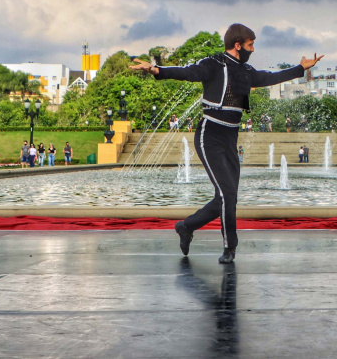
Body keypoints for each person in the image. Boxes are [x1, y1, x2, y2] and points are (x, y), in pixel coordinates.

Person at [130, 22, 322, 264]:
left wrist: (299, 69)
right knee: (227, 193)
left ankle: (186, 226)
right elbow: (187, 72)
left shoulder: (246, 71)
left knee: (227, 197)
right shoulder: (212, 64)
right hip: (209, 135)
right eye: (251, 45)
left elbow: (270, 77)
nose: (253, 50)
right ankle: (229, 248)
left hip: (230, 137)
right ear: (238, 45)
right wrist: (157, 70)